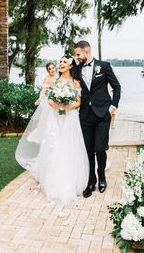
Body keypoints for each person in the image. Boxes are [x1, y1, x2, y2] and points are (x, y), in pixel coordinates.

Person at [16, 56, 89, 204]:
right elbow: (49, 100)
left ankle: (71, 181)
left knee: (70, 146)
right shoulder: (55, 81)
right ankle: (53, 181)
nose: (60, 64)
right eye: (60, 61)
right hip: (55, 118)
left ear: (70, 65)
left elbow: (78, 102)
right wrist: (58, 105)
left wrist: (67, 106)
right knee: (54, 146)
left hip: (70, 118)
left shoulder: (76, 82)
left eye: (64, 62)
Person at [74, 40, 121, 198]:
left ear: (86, 52)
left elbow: (117, 87)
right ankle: (90, 181)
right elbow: (66, 78)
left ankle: (102, 176)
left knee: (99, 148)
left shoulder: (104, 66)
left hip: (103, 114)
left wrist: (113, 107)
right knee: (88, 150)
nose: (77, 57)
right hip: (85, 115)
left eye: (78, 54)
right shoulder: (77, 68)